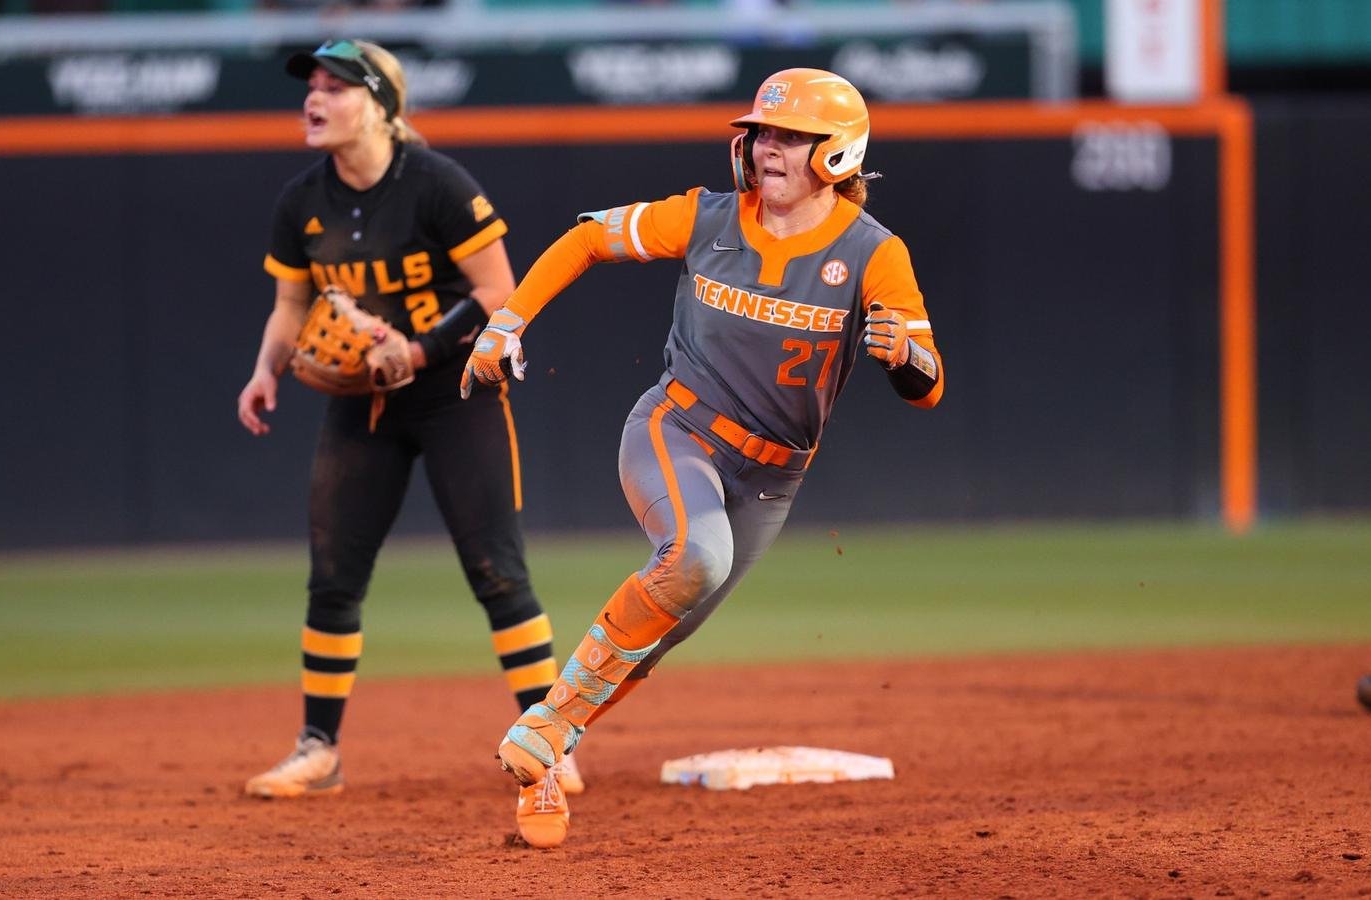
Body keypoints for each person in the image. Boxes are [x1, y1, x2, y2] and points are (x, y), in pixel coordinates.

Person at [461, 68, 945, 848]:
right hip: (678, 430)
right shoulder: (707, 216)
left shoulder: (873, 253)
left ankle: (547, 739)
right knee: (696, 556)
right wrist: (506, 321)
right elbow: (588, 238)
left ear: (838, 153)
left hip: (773, 479)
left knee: (656, 636)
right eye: (762, 133)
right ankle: (546, 736)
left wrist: (905, 358)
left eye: (791, 137)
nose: (767, 149)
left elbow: (927, 387)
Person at [235, 39, 582, 823]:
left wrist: (419, 350)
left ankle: (550, 742)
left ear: (381, 106)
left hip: (456, 393)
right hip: (364, 403)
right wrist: (265, 371)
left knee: (498, 572)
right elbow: (291, 304)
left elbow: (498, 289)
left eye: (335, 87)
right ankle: (318, 750)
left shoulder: (436, 183)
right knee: (333, 578)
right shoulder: (302, 200)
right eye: (310, 87)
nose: (314, 99)